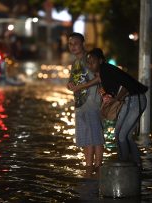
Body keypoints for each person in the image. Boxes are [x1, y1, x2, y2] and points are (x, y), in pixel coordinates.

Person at [72, 48, 148, 167]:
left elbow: (125, 87)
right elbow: (101, 84)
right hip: (132, 100)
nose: (90, 65)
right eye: (88, 62)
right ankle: (136, 164)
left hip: (134, 99)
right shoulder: (104, 71)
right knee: (123, 135)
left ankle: (124, 164)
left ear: (101, 61)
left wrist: (115, 100)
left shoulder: (106, 71)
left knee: (121, 135)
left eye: (93, 61)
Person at [66, 33, 104, 175]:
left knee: (96, 136)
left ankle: (98, 168)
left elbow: (100, 77)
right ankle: (88, 168)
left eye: (76, 43)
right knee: (86, 138)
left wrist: (81, 87)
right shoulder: (75, 63)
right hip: (80, 104)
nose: (73, 47)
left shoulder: (90, 58)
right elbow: (72, 81)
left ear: (82, 43)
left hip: (93, 103)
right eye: (70, 44)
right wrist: (69, 85)